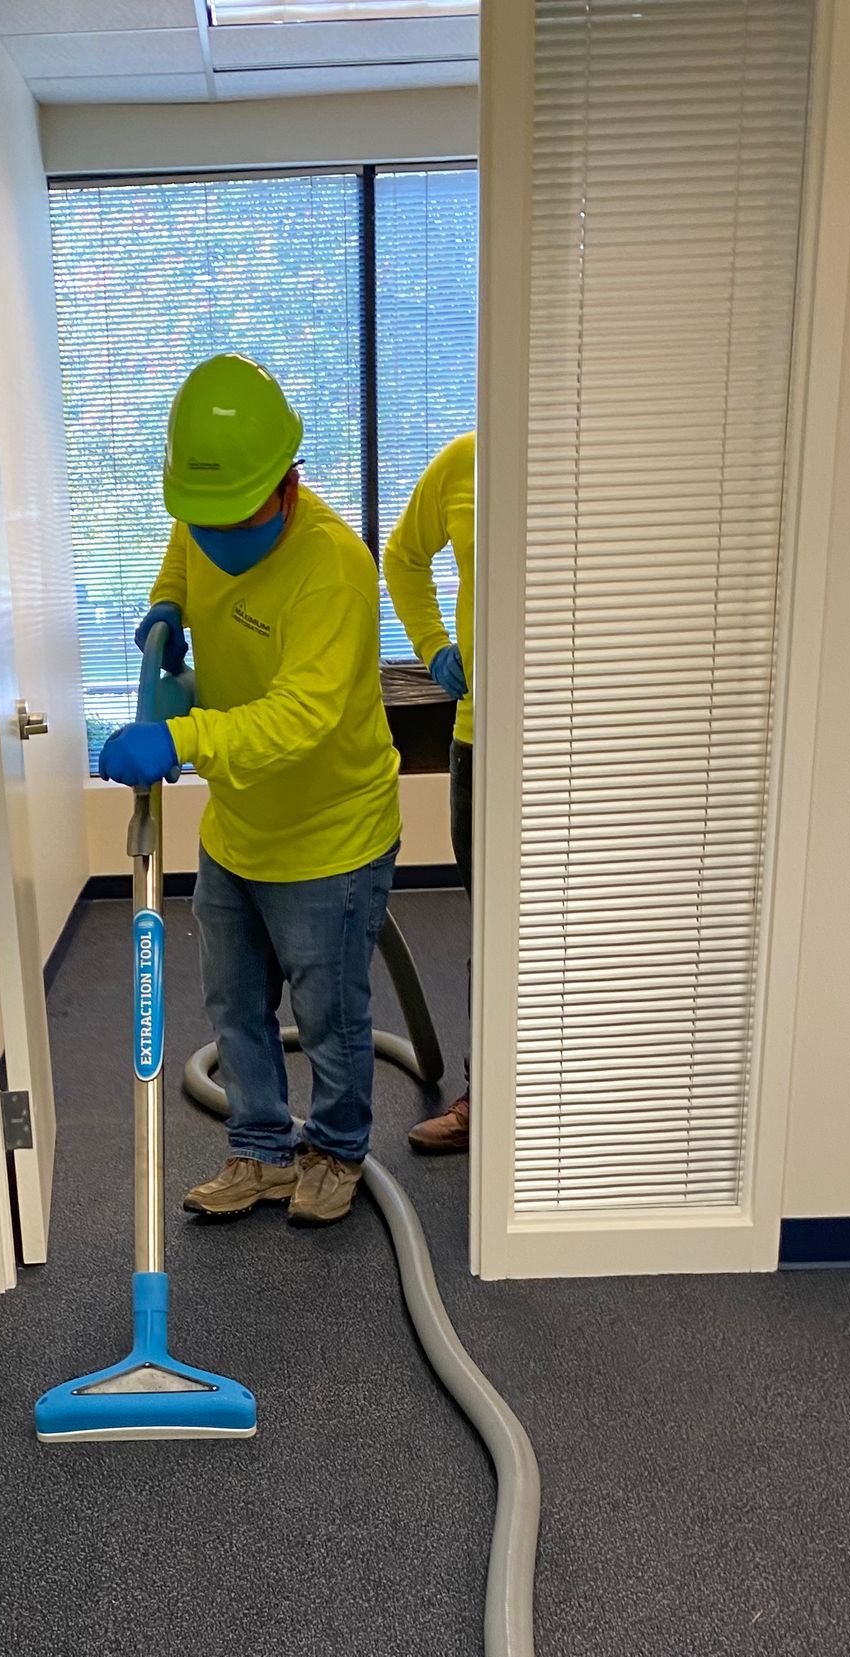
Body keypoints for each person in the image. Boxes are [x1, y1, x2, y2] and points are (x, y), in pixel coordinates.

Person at [97, 354, 402, 1228]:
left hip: (330, 834)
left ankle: (337, 1152)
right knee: (234, 1001)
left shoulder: (333, 569)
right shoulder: (202, 517)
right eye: (201, 520)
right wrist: (163, 610)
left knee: (330, 1013)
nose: (214, 535)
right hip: (239, 826)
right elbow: (181, 572)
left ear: (287, 484)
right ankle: (261, 1148)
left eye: (234, 517)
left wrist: (180, 737)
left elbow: (296, 718)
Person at [383, 429, 474, 1153]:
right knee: (493, 921)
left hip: (577, 733)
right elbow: (404, 557)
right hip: (482, 732)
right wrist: (433, 643)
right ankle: (492, 1093)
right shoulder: (466, 461)